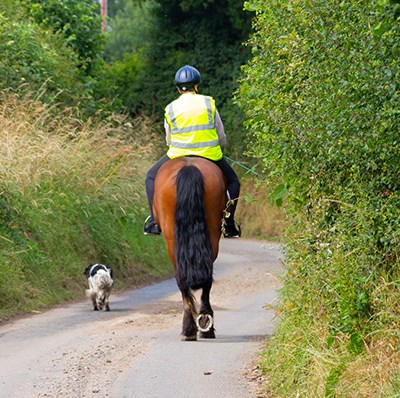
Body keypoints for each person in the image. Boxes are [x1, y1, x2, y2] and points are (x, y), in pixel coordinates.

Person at [144, 65, 241, 238]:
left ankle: (154, 221)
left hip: (177, 154)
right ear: (196, 86)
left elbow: (169, 139)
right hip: (210, 154)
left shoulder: (171, 108)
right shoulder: (208, 103)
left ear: (178, 88)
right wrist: (221, 146)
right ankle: (228, 223)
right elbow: (221, 135)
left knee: (151, 177)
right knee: (233, 182)